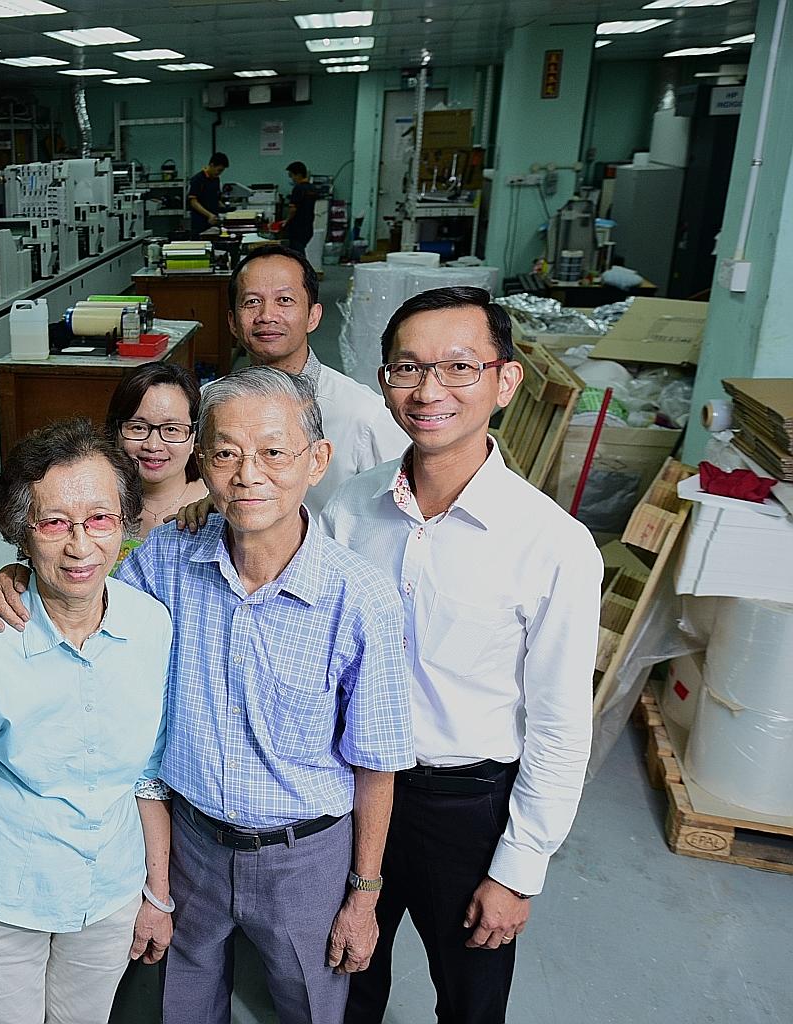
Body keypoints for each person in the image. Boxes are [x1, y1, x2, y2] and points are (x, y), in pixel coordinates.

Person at [0, 369, 415, 1024]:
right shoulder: (167, 562)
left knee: (310, 1008)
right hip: (192, 845)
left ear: (316, 461)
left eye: (273, 451)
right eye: (226, 452)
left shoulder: (362, 600)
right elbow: (88, 601)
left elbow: (377, 762)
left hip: (306, 858)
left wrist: (364, 894)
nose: (248, 474)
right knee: (182, 1004)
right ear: (201, 461)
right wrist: (20, 573)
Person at [320, 287, 602, 1024]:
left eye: (458, 367)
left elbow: (561, 722)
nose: (428, 391)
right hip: (354, 795)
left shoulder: (552, 544)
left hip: (468, 810)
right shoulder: (347, 511)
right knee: (344, 983)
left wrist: (518, 869)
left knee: (470, 1005)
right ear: (384, 382)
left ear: (506, 382)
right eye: (406, 369)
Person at [0, 419, 175, 1024]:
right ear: (22, 532)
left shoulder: (152, 626)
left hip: (108, 891)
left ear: (125, 523)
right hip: (1, 896)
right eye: (54, 523)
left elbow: (148, 776)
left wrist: (157, 892)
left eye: (100, 519)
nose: (80, 544)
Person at [226, 244, 408, 510]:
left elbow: (401, 513)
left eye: (285, 300)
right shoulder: (214, 403)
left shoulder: (365, 416)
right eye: (252, 302)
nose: (266, 316)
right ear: (233, 322)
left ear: (313, 316)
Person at [104, 361, 207, 557]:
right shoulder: (94, 502)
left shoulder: (216, 505)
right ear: (115, 431)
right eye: (138, 427)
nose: (153, 445)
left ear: (194, 436)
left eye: (171, 429)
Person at [187, 152, 229, 235]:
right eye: (219, 170)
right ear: (212, 165)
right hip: (200, 221)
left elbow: (215, 198)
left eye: (222, 171)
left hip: (213, 221)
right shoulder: (198, 179)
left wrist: (225, 210)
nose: (219, 173)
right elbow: (193, 202)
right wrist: (209, 215)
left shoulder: (216, 179)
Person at [284, 161, 321, 253]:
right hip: (308, 227)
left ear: (299, 175)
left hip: (297, 228)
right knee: (300, 250)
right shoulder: (312, 189)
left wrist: (286, 221)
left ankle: (303, 267)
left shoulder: (298, 189)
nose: (292, 179)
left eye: (292, 175)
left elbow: (293, 209)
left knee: (297, 254)